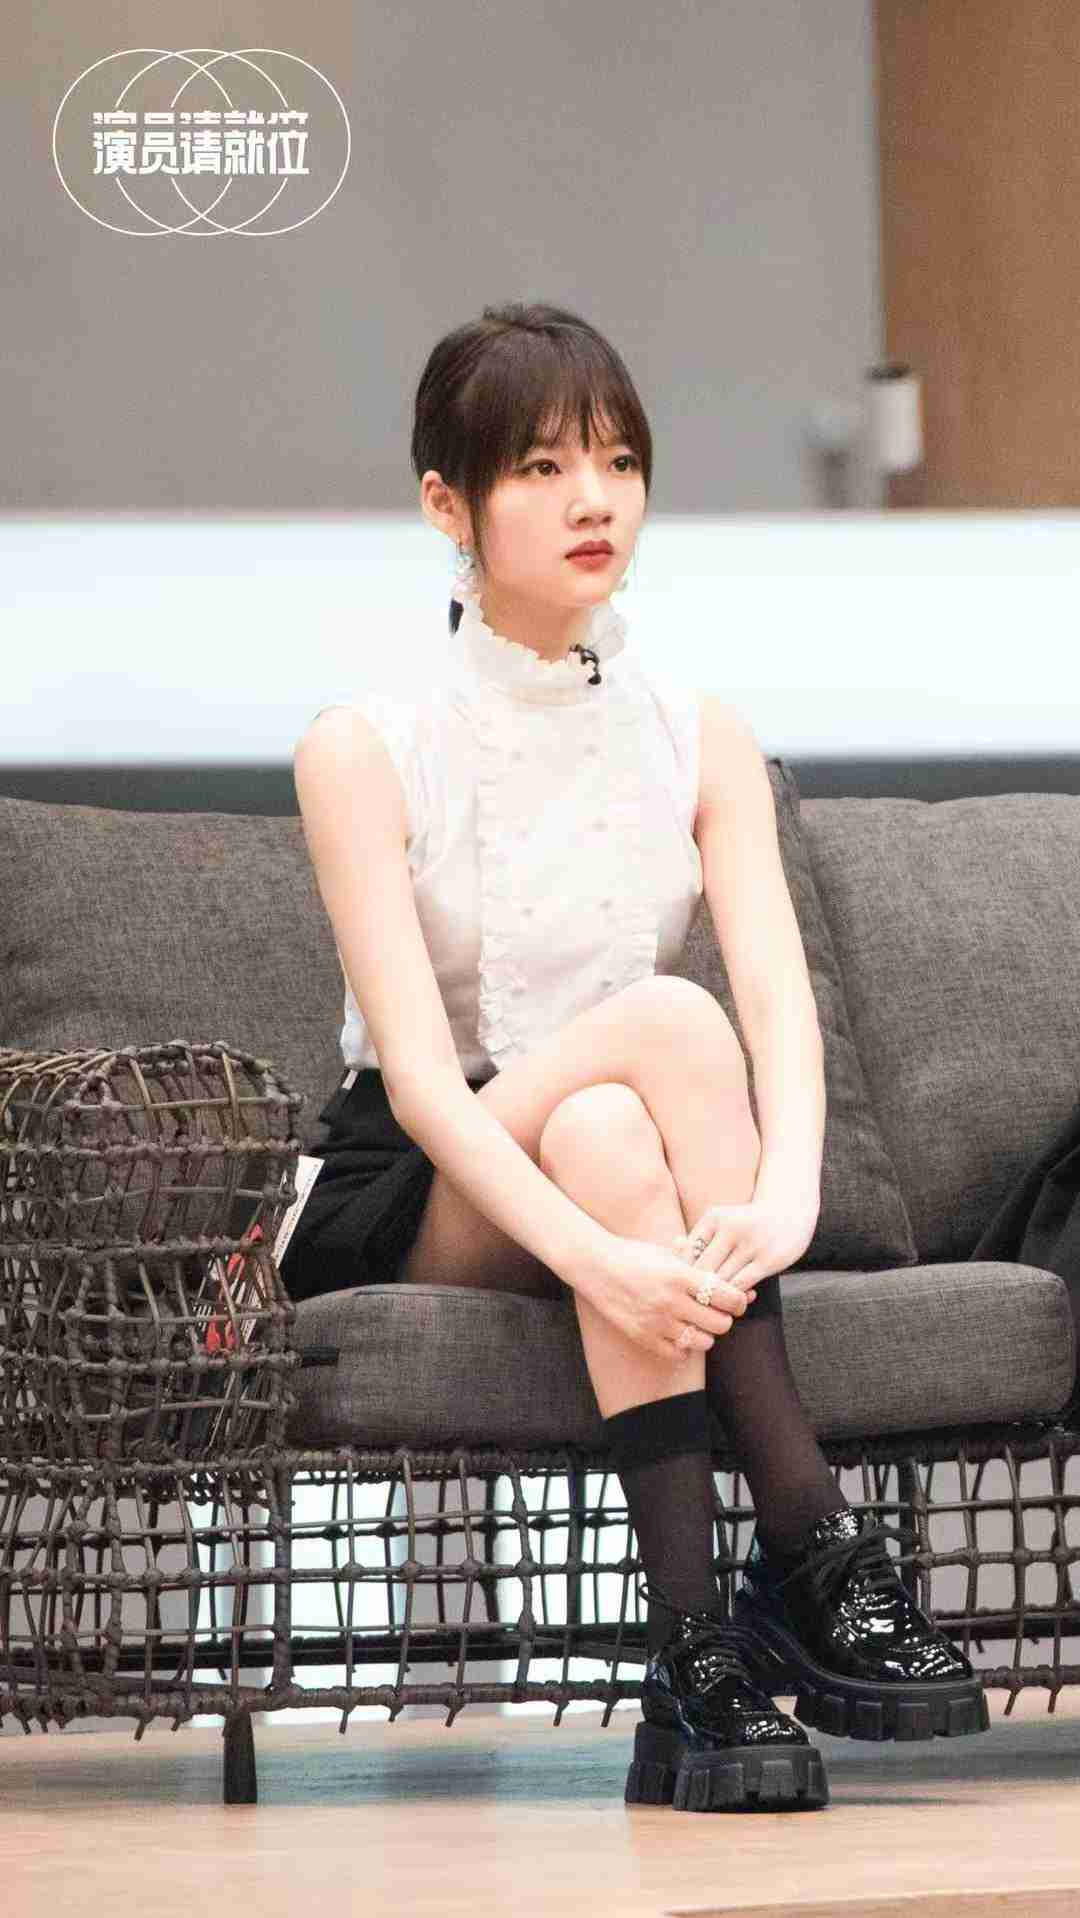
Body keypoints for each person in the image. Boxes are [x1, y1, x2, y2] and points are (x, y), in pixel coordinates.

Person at [285, 301, 988, 1815]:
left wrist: (786, 1198)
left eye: (617, 460)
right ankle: (811, 1538)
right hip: (424, 1178)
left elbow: (781, 1003)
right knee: (667, 1024)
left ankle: (690, 1659)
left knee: (612, 1126)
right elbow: (425, 1087)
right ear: (448, 506)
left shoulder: (697, 733)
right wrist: (600, 1264)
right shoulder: (366, 747)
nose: (593, 499)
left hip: (605, 1160)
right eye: (542, 468)